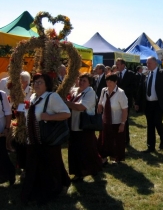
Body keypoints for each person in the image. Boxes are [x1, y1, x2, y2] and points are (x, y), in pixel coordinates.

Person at [21, 73, 71, 204]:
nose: (36, 85)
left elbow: (67, 113)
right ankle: (35, 190)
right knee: (34, 166)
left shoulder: (52, 97)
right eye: (35, 82)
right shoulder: (33, 97)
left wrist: (49, 117)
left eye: (40, 82)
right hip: (32, 140)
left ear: (47, 84)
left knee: (51, 165)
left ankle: (54, 188)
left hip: (47, 140)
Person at [65, 73, 102, 181]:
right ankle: (91, 169)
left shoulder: (90, 93)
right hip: (74, 125)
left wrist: (66, 103)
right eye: (80, 80)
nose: (81, 82)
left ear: (89, 83)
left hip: (84, 126)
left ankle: (81, 172)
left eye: (84, 81)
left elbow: (81, 107)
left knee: (84, 150)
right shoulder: (76, 91)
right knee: (78, 149)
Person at [135, 56, 163, 153]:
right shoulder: (145, 74)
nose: (147, 65)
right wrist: (137, 102)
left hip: (158, 103)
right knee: (150, 124)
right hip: (148, 103)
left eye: (149, 63)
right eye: (147, 63)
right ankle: (150, 147)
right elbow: (140, 89)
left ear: (155, 63)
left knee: (157, 122)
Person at [97, 74, 128, 165]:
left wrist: (122, 123)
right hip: (105, 121)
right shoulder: (104, 91)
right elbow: (100, 103)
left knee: (116, 141)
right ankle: (104, 157)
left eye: (110, 81)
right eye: (107, 81)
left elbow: (124, 109)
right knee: (104, 140)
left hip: (116, 122)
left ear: (116, 82)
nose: (108, 83)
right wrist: (99, 112)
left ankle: (116, 158)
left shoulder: (120, 93)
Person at [115, 58, 135, 146]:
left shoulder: (131, 74)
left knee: (125, 120)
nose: (117, 66)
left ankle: (126, 139)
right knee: (118, 120)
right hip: (117, 102)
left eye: (118, 64)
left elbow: (133, 87)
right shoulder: (117, 74)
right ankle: (119, 138)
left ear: (123, 65)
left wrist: (122, 91)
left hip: (126, 101)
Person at [0, 90, 15, 186]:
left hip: (0, 130)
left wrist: (7, 128)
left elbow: (8, 112)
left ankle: (10, 174)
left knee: (2, 154)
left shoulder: (1, 94)